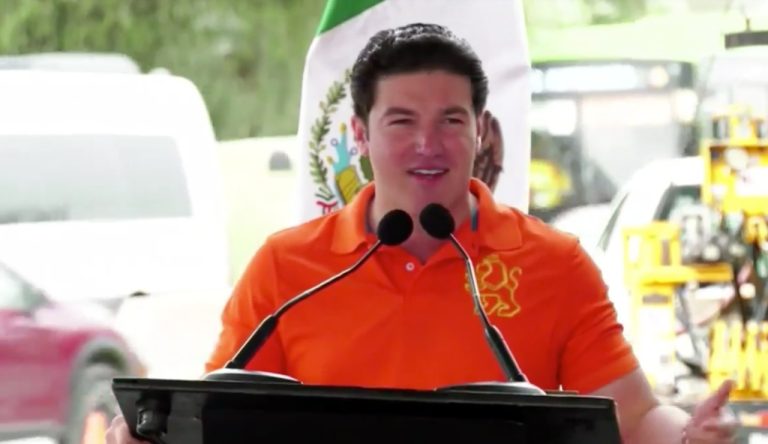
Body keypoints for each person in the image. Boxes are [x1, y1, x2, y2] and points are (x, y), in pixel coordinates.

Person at [107, 23, 737, 444]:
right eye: (402, 121)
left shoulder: (555, 263)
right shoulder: (286, 267)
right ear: (360, 135)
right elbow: (214, 419)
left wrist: (687, 434)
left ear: (481, 130)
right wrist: (146, 434)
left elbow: (636, 417)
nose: (428, 144)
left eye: (451, 121)